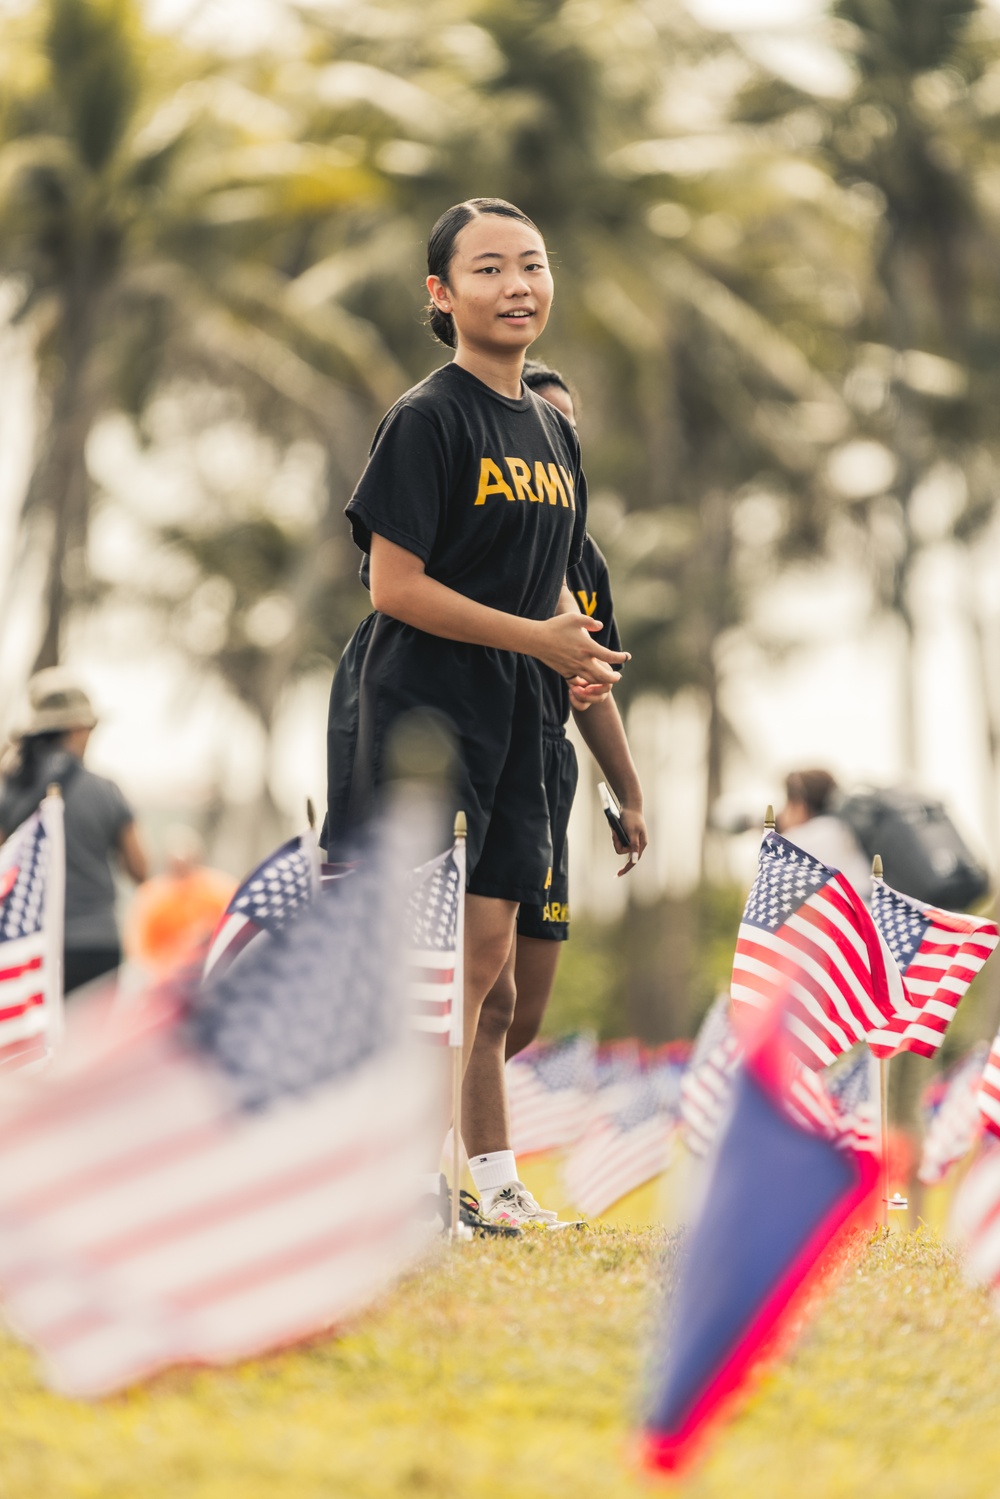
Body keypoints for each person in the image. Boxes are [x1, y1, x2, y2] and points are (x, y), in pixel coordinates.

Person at [325, 197, 628, 1231]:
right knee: (432, 959)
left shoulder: (550, 427)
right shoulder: (425, 417)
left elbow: (549, 581)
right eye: (490, 269)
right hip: (425, 712)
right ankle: (407, 1180)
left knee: (490, 963)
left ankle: (488, 1176)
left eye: (532, 266)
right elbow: (394, 587)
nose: (517, 286)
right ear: (441, 294)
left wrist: (574, 646)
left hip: (521, 720)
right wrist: (537, 637)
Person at [499, 361, 647, 1063]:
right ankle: (442, 1162)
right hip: (482, 760)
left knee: (522, 1012)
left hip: (546, 772)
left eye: (567, 428)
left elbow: (595, 685)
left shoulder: (587, 560)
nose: (555, 438)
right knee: (478, 993)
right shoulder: (479, 537)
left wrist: (631, 795)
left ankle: (463, 1149)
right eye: (540, 421)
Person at [0, 669, 148, 993]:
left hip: (30, 944)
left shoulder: (9, 790)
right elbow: (140, 869)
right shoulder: (105, 790)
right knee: (90, 1044)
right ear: (77, 729)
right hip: (96, 945)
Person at [125, 825, 236, 975]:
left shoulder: (219, 890)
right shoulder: (151, 897)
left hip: (211, 970)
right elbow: (138, 948)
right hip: (165, 975)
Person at [776, 768, 870, 898]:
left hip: (850, 914)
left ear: (800, 804)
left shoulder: (803, 839)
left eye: (788, 802)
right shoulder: (838, 827)